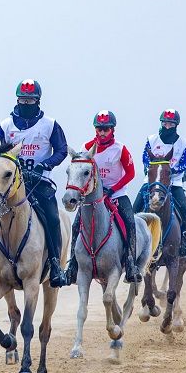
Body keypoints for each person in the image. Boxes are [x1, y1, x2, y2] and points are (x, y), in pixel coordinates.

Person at [0, 79, 68, 287]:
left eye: (30, 100)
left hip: (40, 183)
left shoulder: (50, 125)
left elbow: (62, 150)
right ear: (17, 100)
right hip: (11, 183)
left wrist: (45, 165)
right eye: (23, 100)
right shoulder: (5, 126)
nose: (26, 103)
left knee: (53, 218)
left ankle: (55, 264)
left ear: (37, 101)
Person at [64, 110, 139, 284]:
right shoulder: (87, 147)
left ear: (112, 129)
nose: (102, 132)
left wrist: (113, 190)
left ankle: (131, 263)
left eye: (106, 129)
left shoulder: (120, 149)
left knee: (130, 222)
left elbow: (131, 173)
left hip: (117, 194)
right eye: (99, 129)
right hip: (92, 197)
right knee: (76, 226)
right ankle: (72, 267)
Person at [134, 109, 186, 258]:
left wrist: (170, 170)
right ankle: (132, 243)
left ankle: (184, 241)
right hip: (152, 180)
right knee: (134, 208)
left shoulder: (183, 143)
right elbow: (145, 157)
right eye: (165, 122)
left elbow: (184, 162)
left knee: (184, 208)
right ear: (161, 123)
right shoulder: (152, 139)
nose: (167, 126)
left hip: (173, 181)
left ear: (176, 125)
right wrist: (152, 168)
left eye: (170, 123)